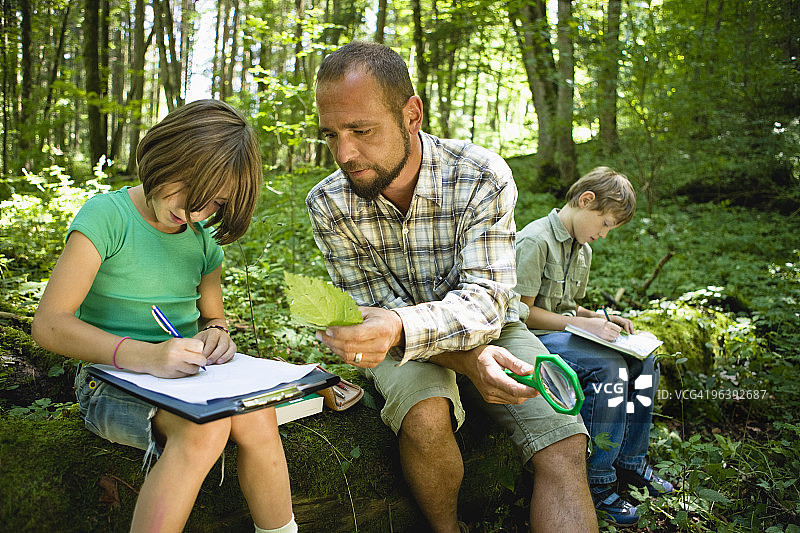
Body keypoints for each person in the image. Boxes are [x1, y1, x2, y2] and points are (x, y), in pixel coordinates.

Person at [306, 41, 597, 533]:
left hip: (489, 329)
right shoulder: (329, 204)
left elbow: (488, 300)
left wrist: (407, 328)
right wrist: (464, 360)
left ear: (411, 114)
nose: (345, 154)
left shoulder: (481, 175)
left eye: (362, 130)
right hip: (396, 344)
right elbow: (372, 317)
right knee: (425, 415)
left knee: (564, 441)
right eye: (331, 135)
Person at [32, 100, 296, 533]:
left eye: (214, 203)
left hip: (188, 378)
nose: (194, 211)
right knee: (204, 430)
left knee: (257, 414)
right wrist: (146, 356)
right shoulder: (107, 218)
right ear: (165, 153)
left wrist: (217, 333)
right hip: (108, 380)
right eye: (188, 186)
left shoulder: (202, 238)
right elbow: (49, 324)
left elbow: (213, 316)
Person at [514, 167, 674, 526]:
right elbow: (524, 313)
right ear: (586, 201)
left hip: (563, 333)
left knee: (646, 362)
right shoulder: (535, 240)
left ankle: (630, 462)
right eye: (604, 224)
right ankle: (597, 481)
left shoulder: (582, 249)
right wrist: (581, 324)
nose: (603, 234)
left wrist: (601, 317)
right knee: (608, 368)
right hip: (533, 340)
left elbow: (568, 306)